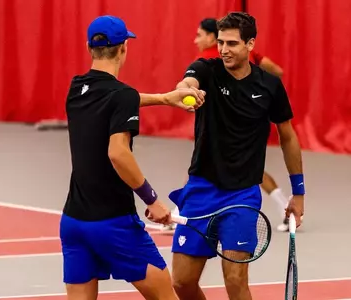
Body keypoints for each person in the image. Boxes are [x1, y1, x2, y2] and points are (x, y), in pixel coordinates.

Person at [59, 15, 205, 300]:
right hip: (114, 225)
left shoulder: (76, 88)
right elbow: (118, 153)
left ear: (91, 49)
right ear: (124, 47)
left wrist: (165, 98)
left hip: (74, 223)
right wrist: (151, 199)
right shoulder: (120, 96)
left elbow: (115, 98)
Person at [169, 12, 305, 300]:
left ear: (250, 44)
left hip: (242, 195)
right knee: (182, 282)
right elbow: (188, 82)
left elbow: (288, 137)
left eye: (231, 43)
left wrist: (299, 193)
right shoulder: (206, 69)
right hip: (201, 190)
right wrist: (185, 91)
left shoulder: (269, 86)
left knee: (235, 279)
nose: (223, 50)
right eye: (220, 42)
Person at [161, 17, 292, 233]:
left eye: (199, 35)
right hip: (236, 132)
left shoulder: (209, 58)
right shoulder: (237, 56)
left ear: (211, 37)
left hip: (225, 132)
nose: (196, 40)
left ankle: (180, 211)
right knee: (250, 170)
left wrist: (260, 94)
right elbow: (276, 71)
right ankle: (283, 205)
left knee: (203, 162)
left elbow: (273, 78)